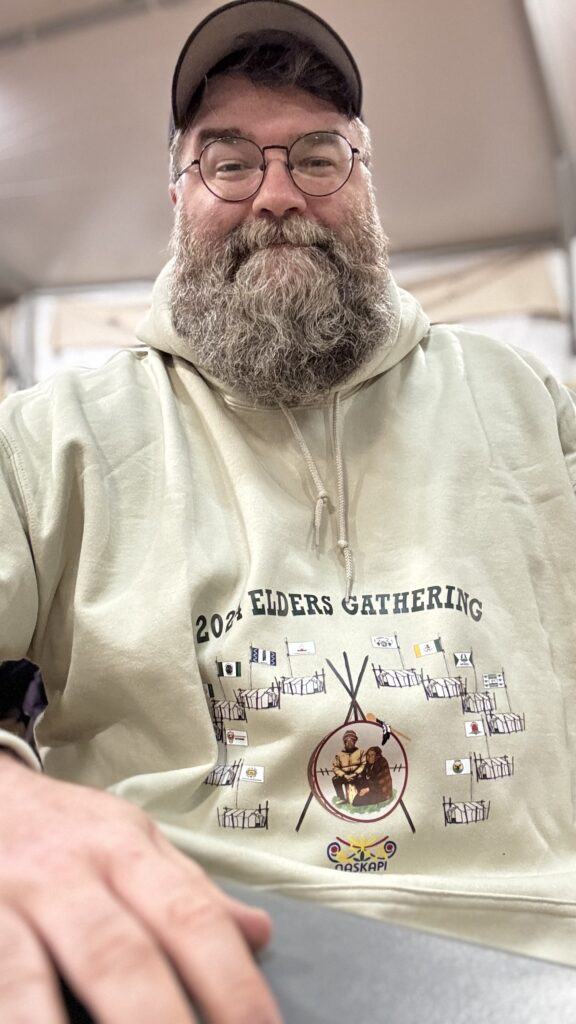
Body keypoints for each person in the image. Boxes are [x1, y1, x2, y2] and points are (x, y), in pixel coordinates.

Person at [1, 0, 576, 1019]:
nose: (276, 194)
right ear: (176, 192)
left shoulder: (534, 406)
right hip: (188, 947)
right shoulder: (53, 439)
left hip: (541, 955)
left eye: (318, 156)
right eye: (228, 161)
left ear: (367, 179)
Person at [332, 730, 366, 803]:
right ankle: (341, 798)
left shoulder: (361, 751)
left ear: (355, 741)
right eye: (347, 740)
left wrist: (355, 773)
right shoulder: (339, 754)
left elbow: (364, 764)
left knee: (361, 777)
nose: (349, 742)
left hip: (357, 775)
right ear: (344, 742)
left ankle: (361, 797)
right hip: (344, 776)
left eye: (352, 740)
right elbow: (335, 767)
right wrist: (344, 775)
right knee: (335, 779)